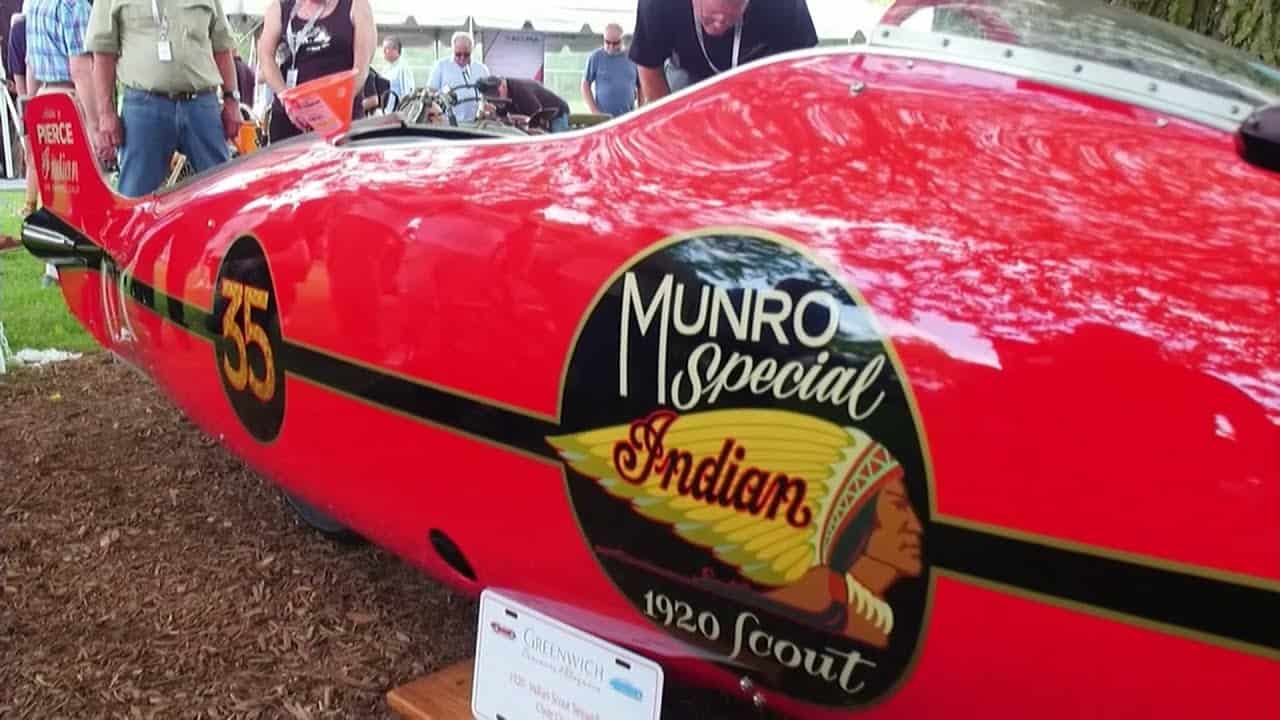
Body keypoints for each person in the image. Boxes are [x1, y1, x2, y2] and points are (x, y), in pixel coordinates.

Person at [85, 0, 242, 197]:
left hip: (201, 105)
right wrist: (105, 114)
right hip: (144, 108)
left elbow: (222, 47)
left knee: (222, 194)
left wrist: (232, 100)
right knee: (136, 199)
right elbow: (103, 52)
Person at [629, 0, 818, 103]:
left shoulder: (783, 4)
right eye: (710, 18)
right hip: (687, 68)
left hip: (755, 70)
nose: (719, 24)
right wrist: (667, 126)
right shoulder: (657, 4)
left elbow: (801, 64)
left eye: (729, 18)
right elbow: (648, 65)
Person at [256, 0, 376, 143]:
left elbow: (361, 66)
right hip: (290, 116)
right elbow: (265, 57)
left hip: (339, 116)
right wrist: (286, 98)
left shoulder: (356, 5)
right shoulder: (279, 8)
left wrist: (331, 109)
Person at [426, 32, 487, 124]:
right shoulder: (441, 66)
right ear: (452, 49)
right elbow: (431, 91)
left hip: (476, 123)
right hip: (447, 123)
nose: (462, 58)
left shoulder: (481, 69)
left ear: (472, 50)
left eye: (466, 54)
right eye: (458, 54)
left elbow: (487, 96)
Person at [581, 22, 638, 117]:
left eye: (615, 43)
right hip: (603, 118)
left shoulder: (632, 57)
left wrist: (641, 108)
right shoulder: (596, 57)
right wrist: (595, 111)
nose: (611, 47)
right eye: (607, 42)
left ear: (622, 40)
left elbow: (641, 86)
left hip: (628, 116)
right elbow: (585, 85)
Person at [477, 75, 570, 133]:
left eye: (496, 94)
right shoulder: (502, 97)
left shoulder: (520, 89)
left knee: (557, 144)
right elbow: (502, 115)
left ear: (503, 86)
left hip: (557, 112)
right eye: (491, 97)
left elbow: (538, 114)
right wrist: (493, 114)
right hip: (540, 114)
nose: (496, 100)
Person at [381, 35, 412, 111]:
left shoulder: (402, 68)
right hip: (386, 111)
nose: (383, 52)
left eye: (386, 48)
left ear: (395, 50)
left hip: (397, 112)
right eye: (383, 49)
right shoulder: (385, 69)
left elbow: (407, 94)